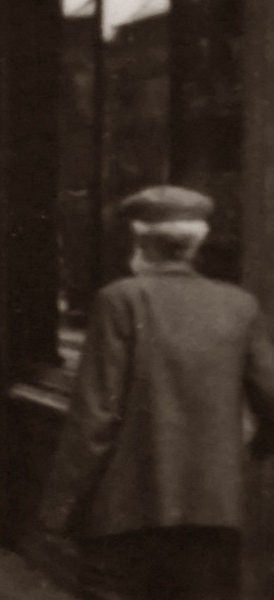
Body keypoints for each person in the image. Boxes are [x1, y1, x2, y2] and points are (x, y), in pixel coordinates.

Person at [39, 185, 274, 600]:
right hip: (214, 512)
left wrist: (60, 508)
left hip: (125, 513)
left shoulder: (121, 300)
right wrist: (240, 459)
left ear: (140, 241)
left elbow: (95, 417)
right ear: (195, 244)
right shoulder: (240, 305)